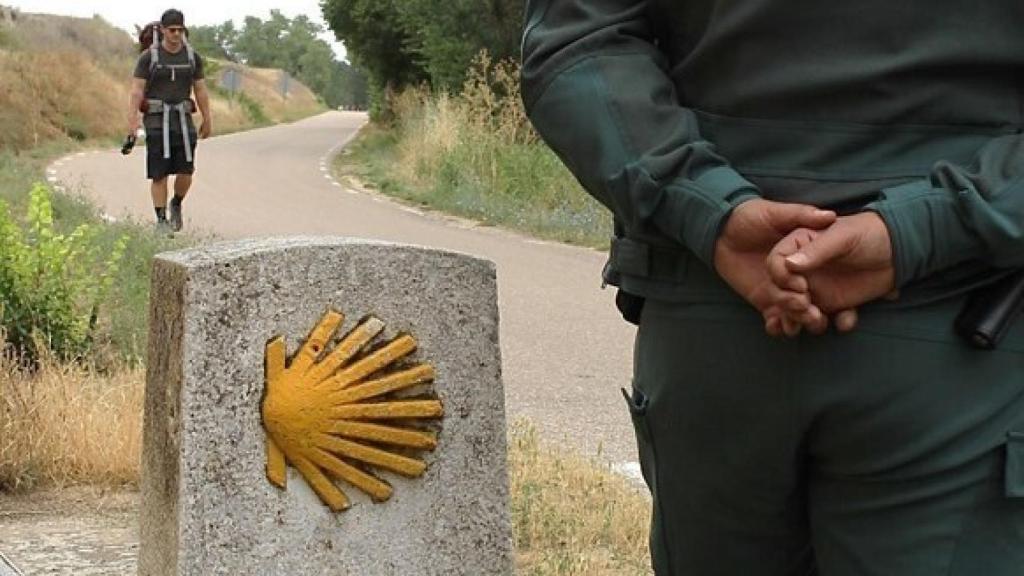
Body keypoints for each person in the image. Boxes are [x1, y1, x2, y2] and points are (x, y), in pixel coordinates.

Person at [522, 2, 1024, 575]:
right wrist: (929, 225)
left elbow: (573, 42)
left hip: (714, 305)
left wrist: (701, 200)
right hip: (965, 340)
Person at [128, 8, 212, 233]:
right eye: (172, 30)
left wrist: (207, 118)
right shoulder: (149, 58)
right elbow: (136, 90)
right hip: (156, 121)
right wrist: (133, 121)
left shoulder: (192, 57)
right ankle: (161, 220)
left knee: (186, 171)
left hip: (183, 121)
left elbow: (201, 90)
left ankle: (176, 203)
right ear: (163, 30)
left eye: (180, 30)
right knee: (159, 173)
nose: (176, 34)